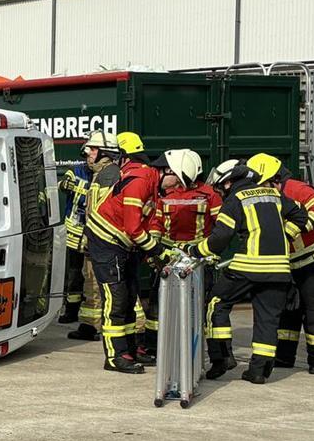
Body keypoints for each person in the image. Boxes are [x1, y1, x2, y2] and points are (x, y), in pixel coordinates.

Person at [188, 161, 309, 384]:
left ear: (229, 182)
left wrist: (195, 250)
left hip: (248, 267)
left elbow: (220, 239)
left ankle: (222, 358)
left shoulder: (236, 200)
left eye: (221, 185)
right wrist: (284, 235)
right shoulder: (273, 194)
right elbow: (302, 216)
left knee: (217, 302)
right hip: (279, 269)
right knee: (268, 317)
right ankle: (258, 371)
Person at [85, 131, 173, 373]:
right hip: (107, 244)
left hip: (122, 245)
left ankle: (130, 350)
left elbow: (151, 217)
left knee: (129, 295)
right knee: (116, 299)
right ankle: (115, 357)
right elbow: (134, 227)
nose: (177, 187)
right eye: (177, 180)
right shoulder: (139, 179)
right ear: (167, 172)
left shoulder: (148, 181)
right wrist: (157, 250)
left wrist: (153, 245)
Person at [247, 153, 314, 374]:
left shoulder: (296, 189)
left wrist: (293, 229)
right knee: (288, 308)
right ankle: (284, 357)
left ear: (273, 179)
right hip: (290, 262)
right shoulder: (265, 196)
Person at [142, 148, 221, 358]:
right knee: (157, 304)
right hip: (168, 258)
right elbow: (157, 224)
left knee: (198, 306)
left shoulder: (209, 195)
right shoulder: (166, 195)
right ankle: (152, 346)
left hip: (198, 260)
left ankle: (193, 350)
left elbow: (219, 227)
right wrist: (154, 252)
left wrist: (211, 252)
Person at [68, 130, 122, 341]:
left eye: (93, 149)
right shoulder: (101, 173)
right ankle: (90, 325)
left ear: (104, 152)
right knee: (90, 283)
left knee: (112, 288)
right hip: (96, 242)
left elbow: (107, 214)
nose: (88, 153)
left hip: (105, 244)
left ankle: (134, 332)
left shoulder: (110, 175)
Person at [58, 160, 91, 323]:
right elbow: (63, 184)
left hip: (94, 234)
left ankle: (91, 315)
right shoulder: (77, 170)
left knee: (92, 277)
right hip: (74, 235)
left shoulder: (106, 174)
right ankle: (71, 311)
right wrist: (65, 184)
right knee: (74, 274)